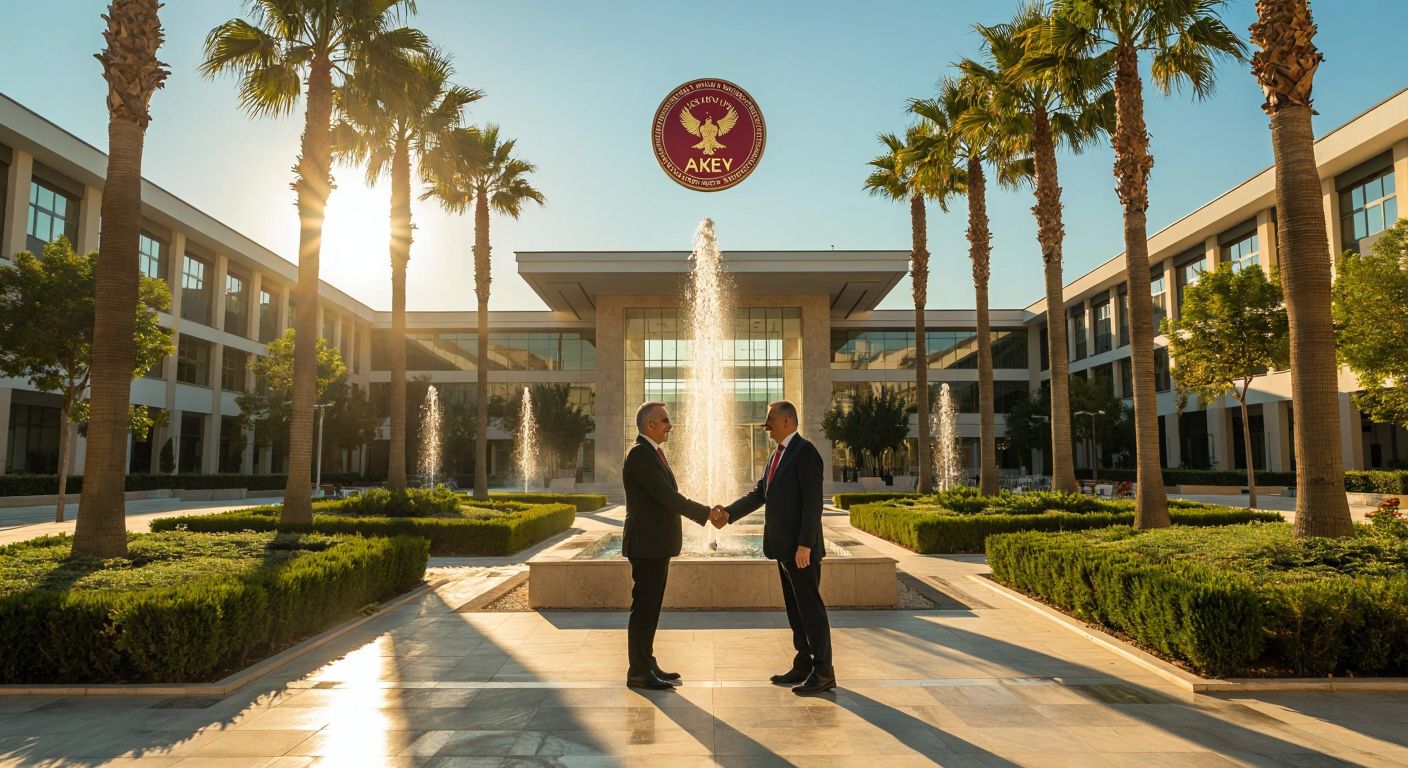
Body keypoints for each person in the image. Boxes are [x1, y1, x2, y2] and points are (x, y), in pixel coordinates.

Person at [713, 400, 834, 695]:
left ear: (787, 420)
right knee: (795, 609)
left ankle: (824, 671)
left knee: (810, 610)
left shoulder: (805, 453)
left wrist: (806, 543)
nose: (766, 426)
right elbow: (760, 493)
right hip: (783, 548)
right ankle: (803, 663)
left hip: (800, 550)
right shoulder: (777, 455)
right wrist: (728, 514)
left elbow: (813, 504)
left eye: (770, 419)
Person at [620, 401, 722, 690]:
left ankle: (647, 663)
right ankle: (638, 672)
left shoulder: (652, 453)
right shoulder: (640, 454)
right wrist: (705, 513)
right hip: (646, 544)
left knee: (651, 607)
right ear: (650, 425)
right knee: (644, 608)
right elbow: (665, 495)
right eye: (665, 420)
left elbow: (665, 495)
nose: (670, 425)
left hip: (656, 544)